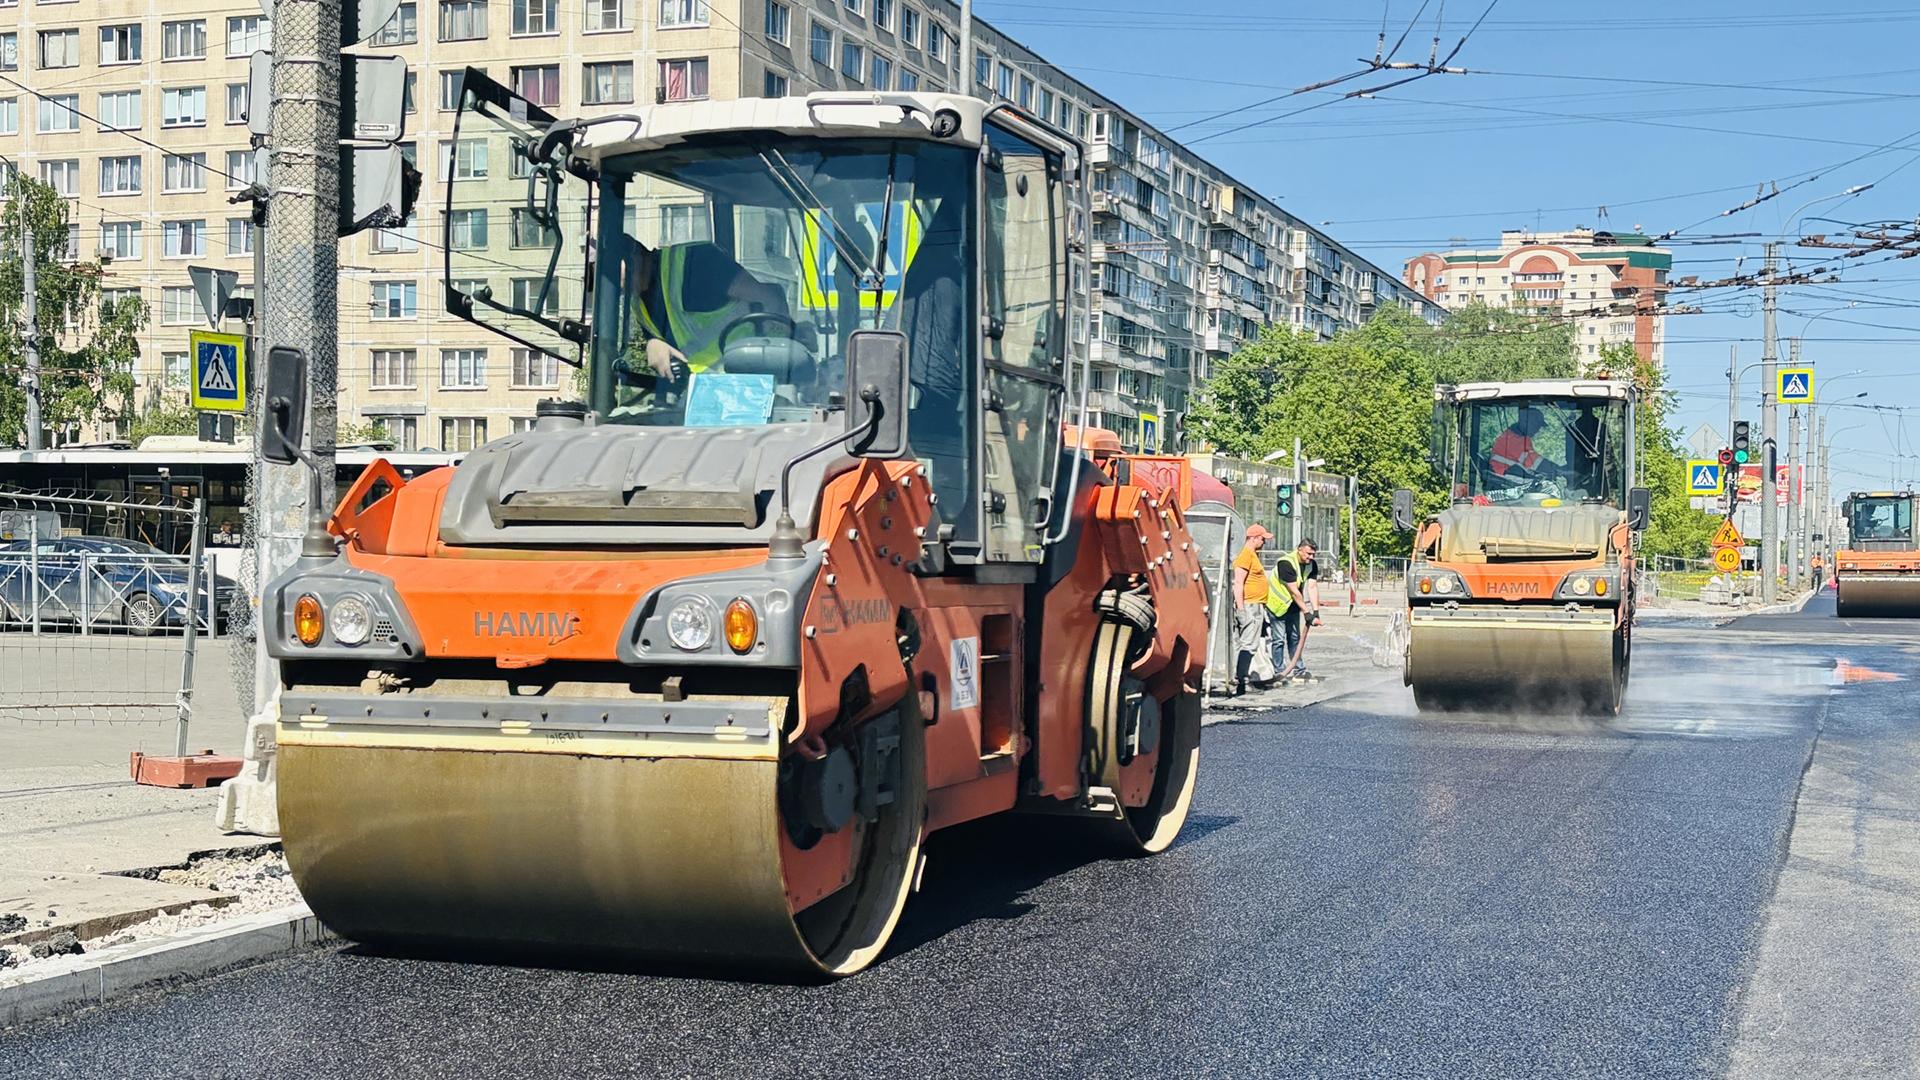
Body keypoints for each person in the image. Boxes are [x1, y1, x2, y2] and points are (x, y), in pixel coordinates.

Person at [1230, 525, 1275, 696]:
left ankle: (1241, 679)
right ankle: (1241, 681)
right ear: (1253, 538)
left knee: (1250, 644)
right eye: (1262, 539)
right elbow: (1238, 583)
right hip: (1250, 605)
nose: (1264, 542)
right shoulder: (1245, 555)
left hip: (1255, 605)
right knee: (1248, 645)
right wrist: (1241, 610)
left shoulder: (1252, 555)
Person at [1269, 539, 1321, 681]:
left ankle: (1299, 670)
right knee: (1278, 640)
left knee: (1295, 638)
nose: (1311, 557)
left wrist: (1315, 611)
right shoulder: (1285, 563)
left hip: (1293, 606)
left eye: (1313, 554)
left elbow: (1312, 587)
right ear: (1299, 549)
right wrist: (1306, 612)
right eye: (1308, 554)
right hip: (1276, 605)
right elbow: (1294, 591)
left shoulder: (1311, 565)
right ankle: (1279, 671)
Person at [1489, 406, 1553, 482]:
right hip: (1503, 478)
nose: (1538, 430)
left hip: (1511, 475)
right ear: (1526, 422)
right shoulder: (1513, 440)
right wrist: (1558, 470)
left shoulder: (1520, 437)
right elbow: (1535, 463)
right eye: (1536, 425)